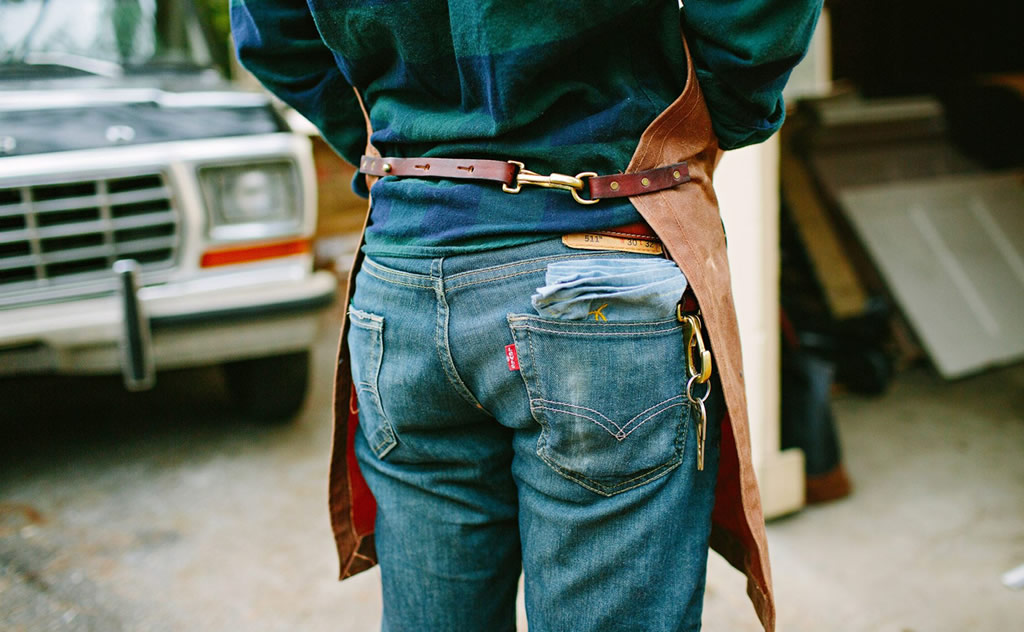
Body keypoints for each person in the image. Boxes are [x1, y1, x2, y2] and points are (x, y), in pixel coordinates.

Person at [230, 1, 821, 630]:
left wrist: (412, 162)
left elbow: (269, 32)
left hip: (402, 282)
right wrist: (709, 119)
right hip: (597, 264)